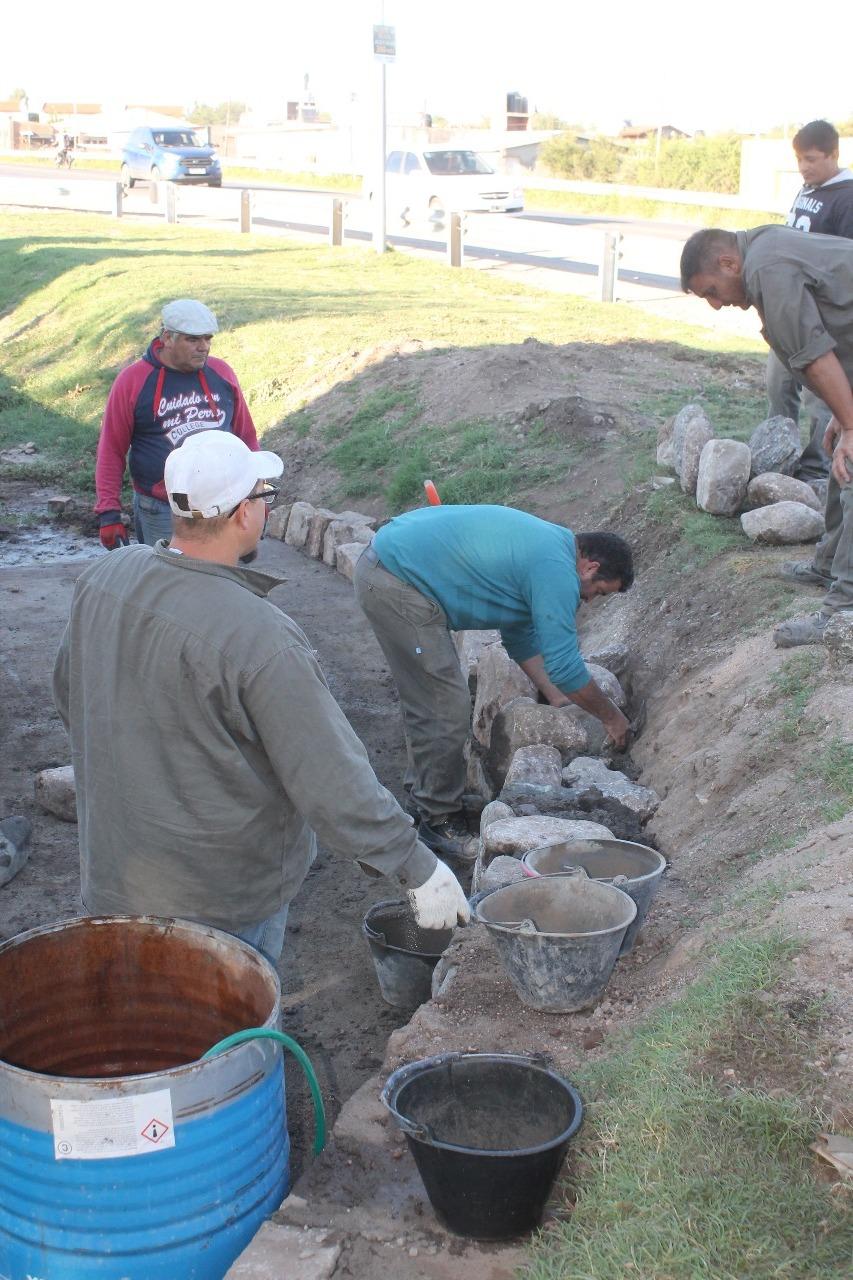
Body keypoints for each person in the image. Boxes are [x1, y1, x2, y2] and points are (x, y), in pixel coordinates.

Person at [55, 431, 468, 963]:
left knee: (145, 1038)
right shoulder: (260, 637)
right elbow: (329, 776)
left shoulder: (104, 578)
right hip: (218, 904)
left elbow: (69, 696)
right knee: (234, 1042)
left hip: (113, 877)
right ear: (243, 513)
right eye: (264, 496)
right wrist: (416, 866)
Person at [353, 504, 634, 866]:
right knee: (443, 705)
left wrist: (557, 698)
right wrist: (612, 718)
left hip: (392, 563)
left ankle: (427, 797)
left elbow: (522, 638)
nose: (590, 600)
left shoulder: (549, 548)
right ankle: (439, 821)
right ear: (590, 567)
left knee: (432, 700)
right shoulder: (557, 571)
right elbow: (565, 665)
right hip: (398, 580)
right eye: (599, 591)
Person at [680, 225, 853, 647]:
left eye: (711, 291)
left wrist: (850, 423)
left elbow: (814, 355)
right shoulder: (764, 250)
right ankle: (829, 565)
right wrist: (843, 414)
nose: (717, 305)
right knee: (840, 462)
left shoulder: (767, 266)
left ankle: (843, 612)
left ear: (728, 263)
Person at [95, 299, 259, 550]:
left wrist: (257, 497)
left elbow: (246, 437)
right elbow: (111, 450)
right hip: (162, 508)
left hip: (222, 502)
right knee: (167, 583)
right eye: (193, 340)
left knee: (221, 580)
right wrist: (108, 512)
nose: (203, 347)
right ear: (167, 338)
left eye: (208, 339)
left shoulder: (221, 373)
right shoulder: (133, 381)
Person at [766, 121, 853, 479]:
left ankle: (818, 468)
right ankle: (774, 454)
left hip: (820, 320)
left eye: (812, 159)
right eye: (800, 159)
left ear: (834, 154)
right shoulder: (808, 189)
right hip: (788, 310)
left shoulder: (846, 198)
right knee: (778, 384)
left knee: (819, 394)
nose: (804, 166)